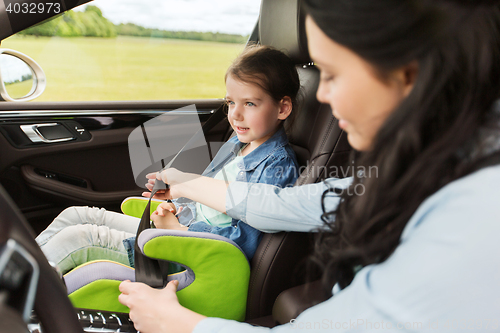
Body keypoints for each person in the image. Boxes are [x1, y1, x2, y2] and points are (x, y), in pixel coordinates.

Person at [118, 0, 500, 332]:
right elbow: (285, 205)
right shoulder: (424, 168)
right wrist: (185, 182)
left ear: (407, 74)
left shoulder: (476, 219)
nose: (323, 95)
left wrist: (180, 324)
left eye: (332, 73)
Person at [35, 45, 301, 273]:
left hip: (192, 253)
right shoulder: (239, 143)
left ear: (282, 108)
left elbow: (245, 241)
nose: (236, 115)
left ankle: (17, 295)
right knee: (76, 215)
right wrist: (177, 198)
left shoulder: (277, 167)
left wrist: (178, 231)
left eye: (250, 104)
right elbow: (211, 191)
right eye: (231, 102)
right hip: (180, 228)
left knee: (78, 238)